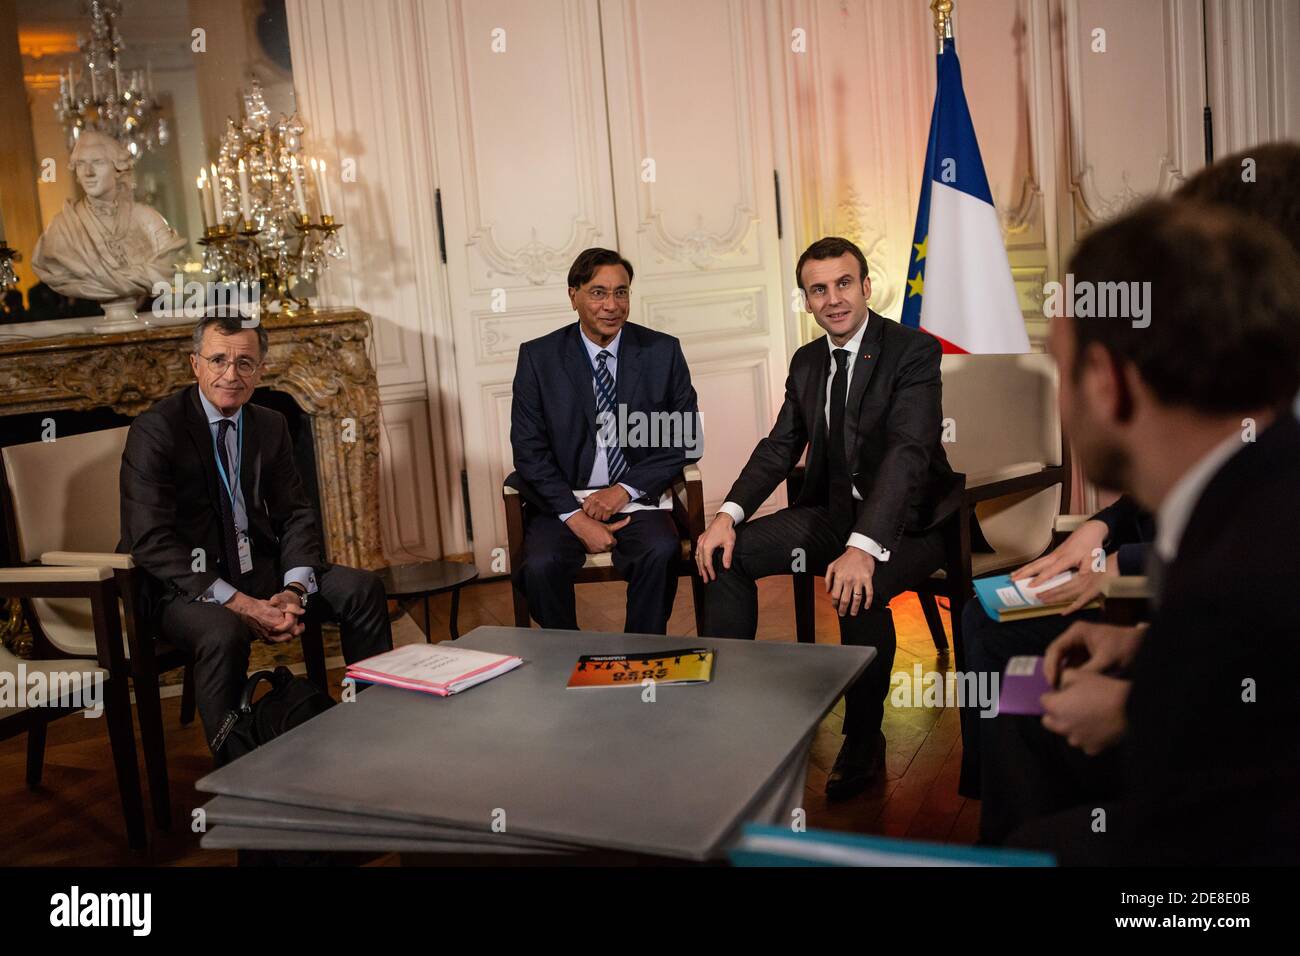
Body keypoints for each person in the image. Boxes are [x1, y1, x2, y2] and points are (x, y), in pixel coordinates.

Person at [960, 140, 1300, 801]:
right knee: (1011, 659)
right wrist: (1141, 643)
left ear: (1105, 382)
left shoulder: (1242, 558)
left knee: (1025, 700)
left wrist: (1133, 709)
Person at [696, 236, 961, 800]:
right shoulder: (807, 360)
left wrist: (864, 546)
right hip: (833, 514)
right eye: (819, 290)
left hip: (911, 524)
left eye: (844, 284)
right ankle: (730, 719)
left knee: (855, 588)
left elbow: (908, 453)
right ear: (807, 301)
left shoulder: (912, 351)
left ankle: (864, 738)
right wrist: (726, 514)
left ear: (866, 286)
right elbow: (780, 446)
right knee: (728, 556)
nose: (833, 299)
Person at [119, 313, 393, 757]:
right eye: (218, 360)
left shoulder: (269, 424)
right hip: (181, 588)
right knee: (223, 633)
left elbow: (296, 514)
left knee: (361, 589)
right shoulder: (156, 429)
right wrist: (240, 604)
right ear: (195, 365)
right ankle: (237, 770)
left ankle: (376, 733)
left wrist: (294, 589)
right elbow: (149, 540)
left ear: (261, 369)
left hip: (259, 571)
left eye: (245, 363)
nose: (231, 374)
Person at [509, 247, 700, 635]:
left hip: (636, 496)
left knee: (661, 552)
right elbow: (528, 451)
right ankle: (564, 658)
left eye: (621, 292)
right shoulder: (539, 358)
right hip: (562, 500)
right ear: (573, 295)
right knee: (542, 565)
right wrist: (576, 518)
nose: (611, 305)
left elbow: (684, 440)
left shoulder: (661, 352)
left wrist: (623, 490)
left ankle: (640, 656)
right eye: (598, 292)